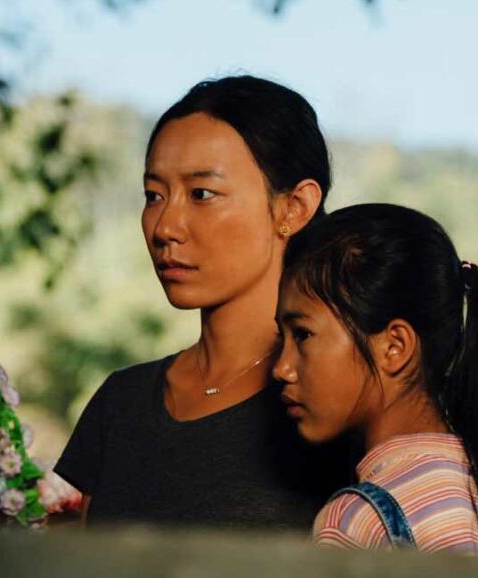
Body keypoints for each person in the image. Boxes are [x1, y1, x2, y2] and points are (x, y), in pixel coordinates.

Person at [55, 75, 353, 529]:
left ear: (293, 207)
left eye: (202, 194)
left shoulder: (329, 406)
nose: (165, 226)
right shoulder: (122, 402)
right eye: (154, 195)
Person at [272, 203, 478, 552]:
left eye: (302, 335)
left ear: (394, 347)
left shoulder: (357, 520)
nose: (281, 367)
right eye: (281, 339)